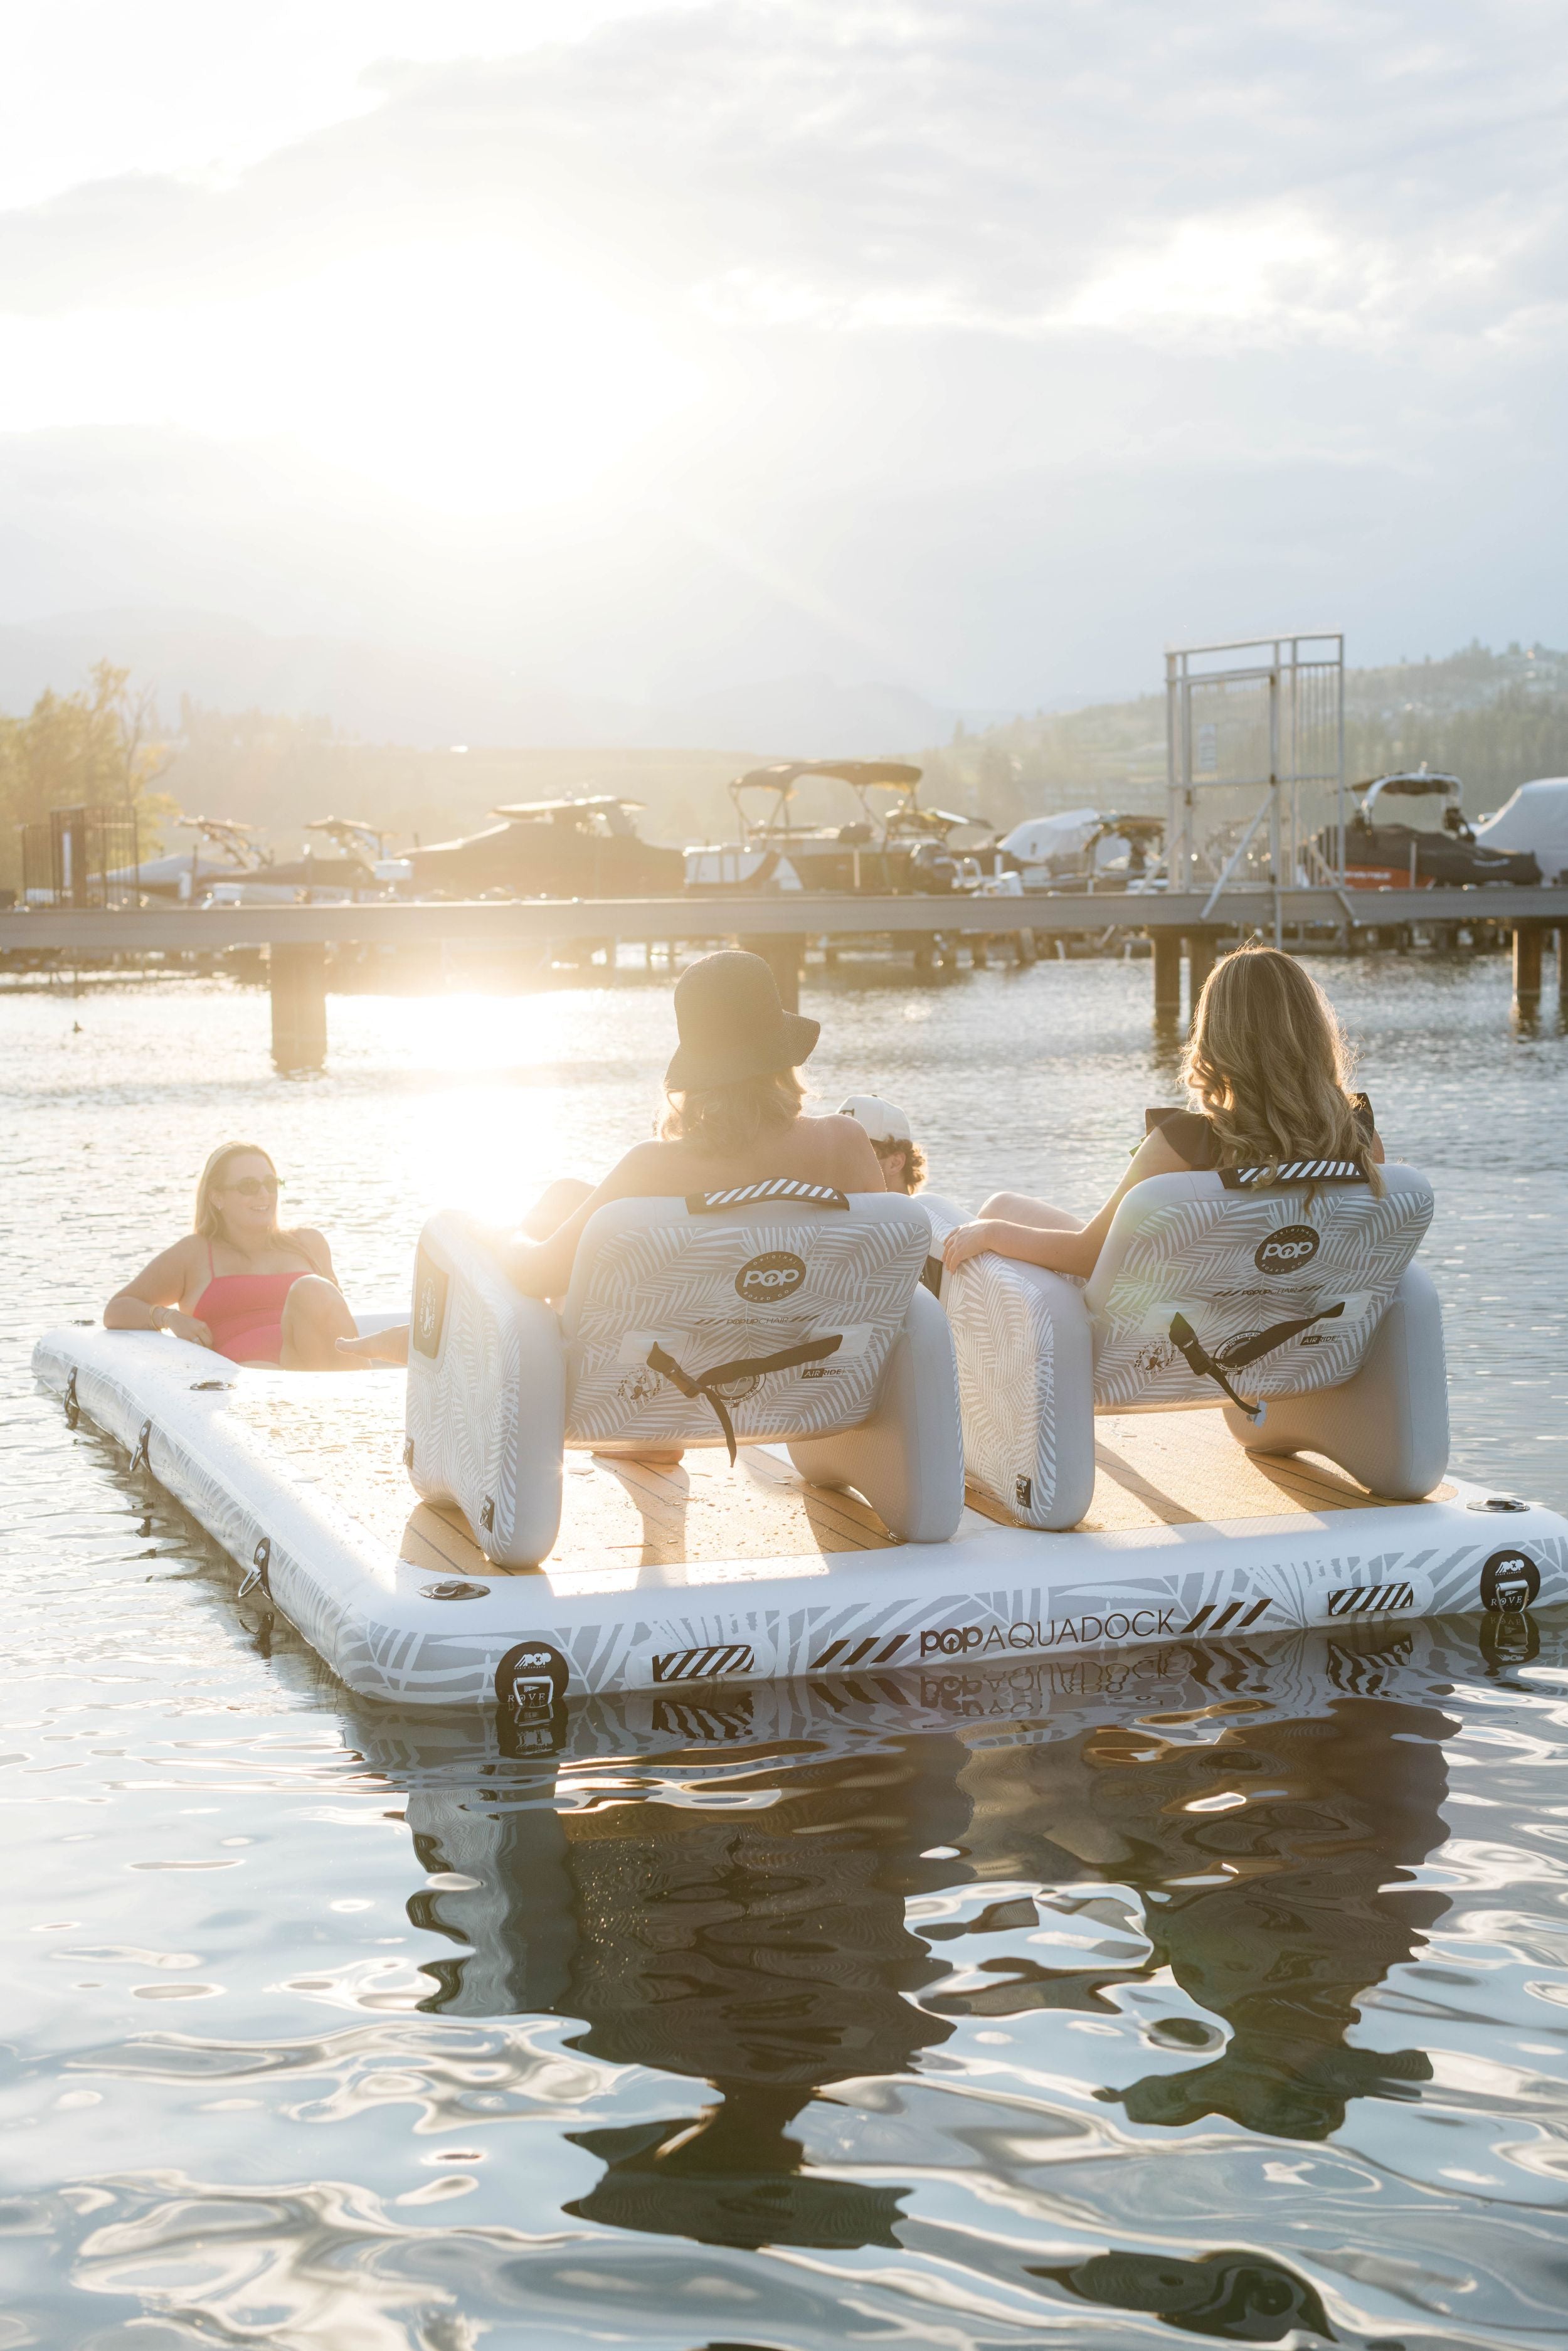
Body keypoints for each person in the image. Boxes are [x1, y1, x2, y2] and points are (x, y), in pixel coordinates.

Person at [338, 950, 886, 1364]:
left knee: (504, 1235)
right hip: (813, 1379)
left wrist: (496, 1235)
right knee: (567, 1200)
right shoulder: (845, 1142)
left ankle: (429, 1340)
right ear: (781, 1057)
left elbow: (534, 1275)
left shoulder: (655, 1168)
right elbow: (882, 1272)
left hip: (672, 1386)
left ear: (699, 1072)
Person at [942, 943, 1385, 1282]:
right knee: (1001, 1209)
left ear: (1217, 1036)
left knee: (997, 1212)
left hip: (1166, 1333)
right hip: (1294, 1328)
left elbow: (1087, 1256)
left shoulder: (1185, 1143)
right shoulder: (1357, 1136)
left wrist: (990, 1235)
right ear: (1311, 1030)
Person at [105, 1142, 359, 1370]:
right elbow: (117, 1309)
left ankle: (360, 1394)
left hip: (322, 1367)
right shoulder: (193, 1253)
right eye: (248, 1186)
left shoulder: (308, 1243)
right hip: (254, 1381)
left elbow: (336, 1323)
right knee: (309, 1288)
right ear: (217, 1197)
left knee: (312, 1290)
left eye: (270, 1184)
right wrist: (168, 1317)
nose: (263, 1194)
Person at [837, 1095, 928, 1195]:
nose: (839, 1161)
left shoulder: (924, 1209)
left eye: (853, 1153)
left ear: (895, 1163)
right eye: (836, 1150)